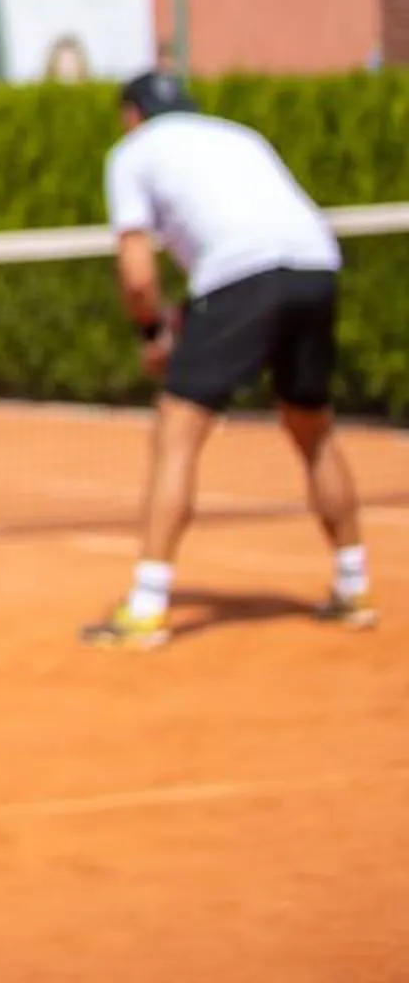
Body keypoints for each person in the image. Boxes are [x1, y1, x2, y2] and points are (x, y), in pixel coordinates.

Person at [80, 71, 373, 649]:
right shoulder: (238, 136)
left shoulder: (132, 153)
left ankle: (147, 605)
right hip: (317, 266)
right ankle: (352, 586)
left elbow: (138, 276)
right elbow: (254, 224)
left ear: (132, 115)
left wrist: (150, 333)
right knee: (311, 425)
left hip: (242, 276)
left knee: (178, 432)